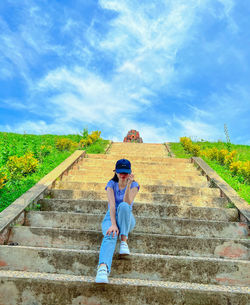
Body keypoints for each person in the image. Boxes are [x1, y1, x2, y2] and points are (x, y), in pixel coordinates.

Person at [95, 158, 140, 284]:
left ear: (130, 172)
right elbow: (112, 206)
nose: (123, 174)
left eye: (125, 172)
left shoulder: (134, 185)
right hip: (111, 216)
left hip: (127, 219)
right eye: (120, 172)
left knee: (124, 206)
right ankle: (103, 269)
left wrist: (128, 185)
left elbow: (127, 203)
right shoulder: (111, 184)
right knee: (111, 233)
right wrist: (114, 224)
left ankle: (124, 241)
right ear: (116, 171)